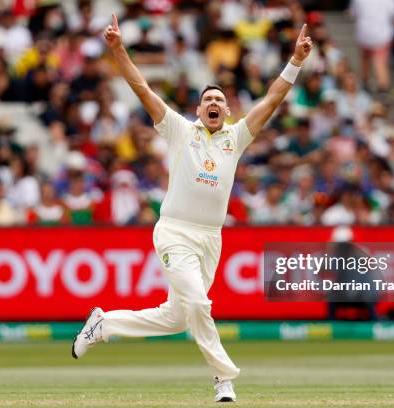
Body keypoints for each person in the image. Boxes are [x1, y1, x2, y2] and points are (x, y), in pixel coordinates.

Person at [71, 13, 313, 403]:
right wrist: (118, 50)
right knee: (200, 303)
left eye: (220, 99)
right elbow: (142, 88)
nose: (214, 102)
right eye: (207, 100)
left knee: (178, 316)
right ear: (198, 110)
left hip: (210, 239)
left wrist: (296, 61)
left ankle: (106, 323)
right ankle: (224, 378)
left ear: (227, 111)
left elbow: (271, 99)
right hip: (175, 232)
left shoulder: (237, 137)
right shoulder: (180, 130)